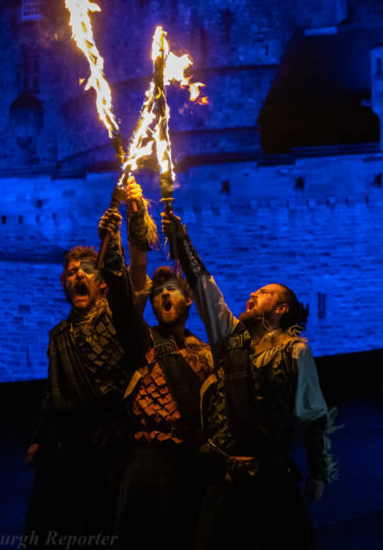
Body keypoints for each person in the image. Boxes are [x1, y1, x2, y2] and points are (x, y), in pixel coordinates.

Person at [161, 212, 337, 550]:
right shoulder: (230, 338)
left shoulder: (295, 352)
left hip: (269, 480)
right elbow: (206, 291)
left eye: (265, 292)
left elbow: (314, 414)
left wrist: (318, 471)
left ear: (282, 309)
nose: (253, 293)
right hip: (223, 480)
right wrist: (182, 242)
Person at [97, 185, 213, 550]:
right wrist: (127, 226)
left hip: (195, 462)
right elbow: (119, 289)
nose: (164, 294)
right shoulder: (142, 340)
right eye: (158, 290)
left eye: (173, 289)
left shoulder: (209, 353)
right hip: (148, 463)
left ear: (188, 299)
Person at [24, 242, 142, 548]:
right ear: (64, 282)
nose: (78, 276)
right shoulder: (59, 335)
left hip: (109, 447)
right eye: (72, 272)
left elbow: (132, 278)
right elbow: (52, 391)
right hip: (62, 451)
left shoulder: (120, 319)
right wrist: (39, 436)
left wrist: (121, 232)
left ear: (101, 281)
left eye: (87, 271)